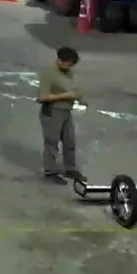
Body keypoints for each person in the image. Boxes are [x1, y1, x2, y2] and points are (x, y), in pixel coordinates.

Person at [37, 46, 84, 184]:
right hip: (52, 112)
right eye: (69, 64)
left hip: (66, 111)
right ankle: (50, 171)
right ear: (61, 60)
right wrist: (66, 95)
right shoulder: (49, 74)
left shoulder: (67, 72)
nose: (71, 67)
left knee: (70, 141)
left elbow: (71, 87)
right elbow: (42, 97)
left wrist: (78, 97)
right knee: (52, 142)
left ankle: (70, 168)